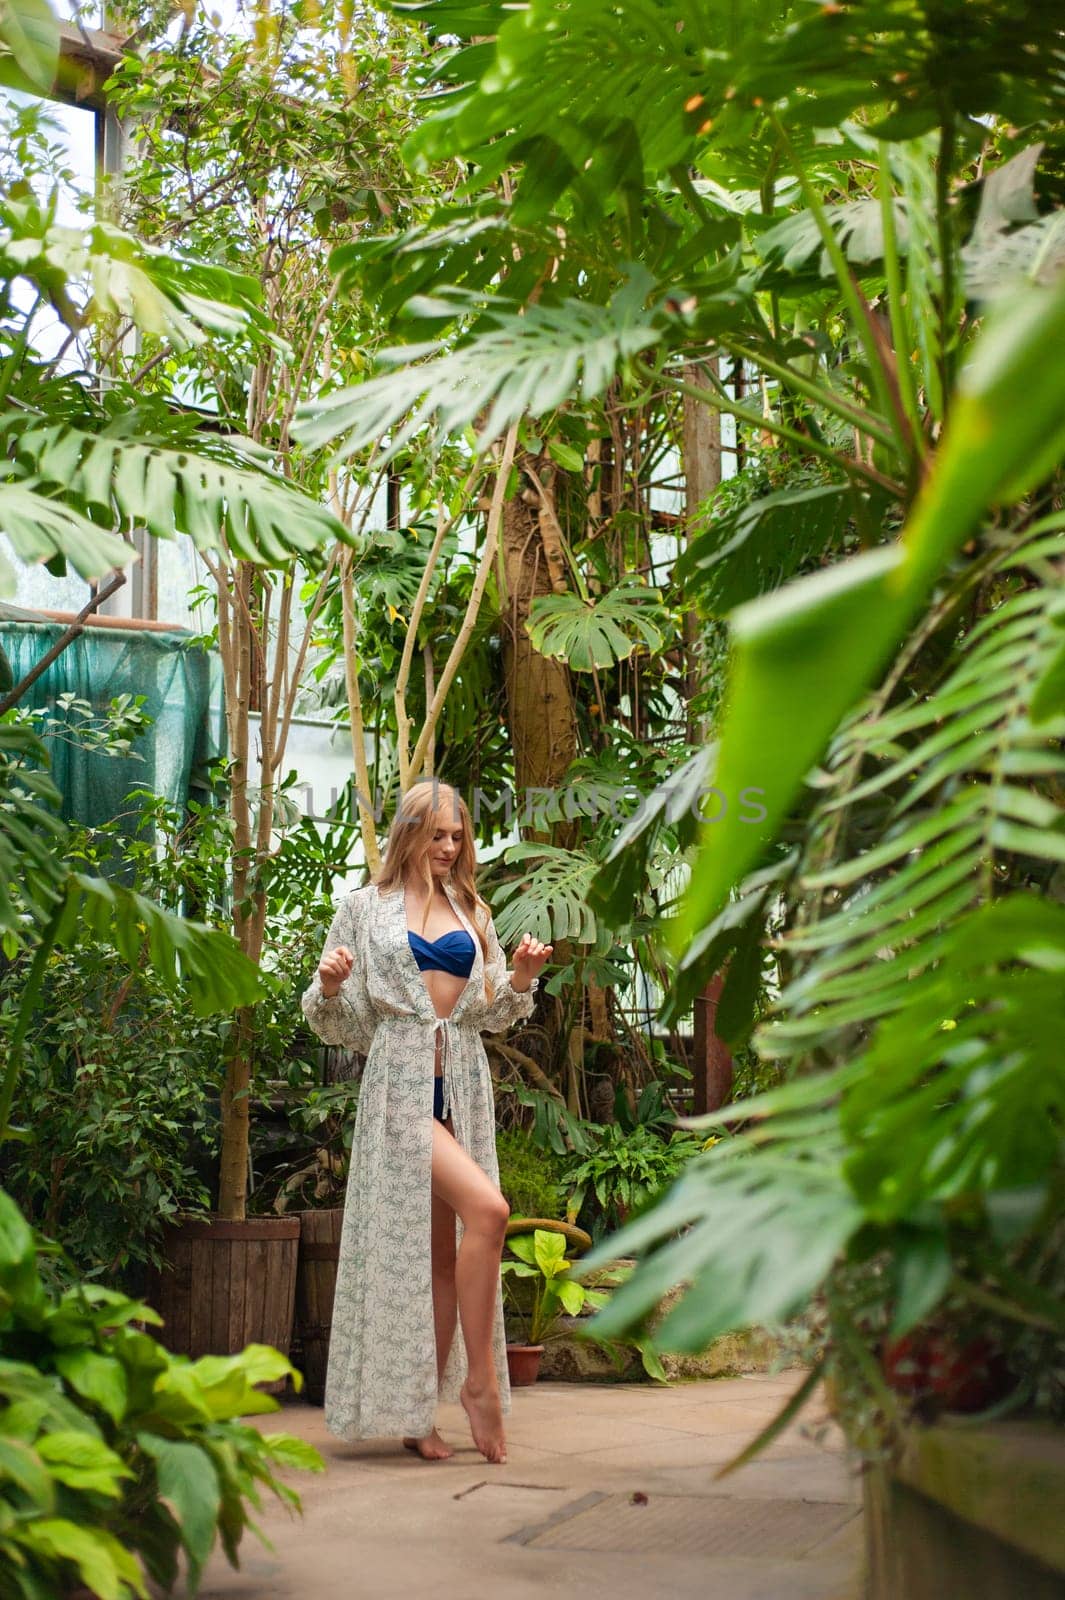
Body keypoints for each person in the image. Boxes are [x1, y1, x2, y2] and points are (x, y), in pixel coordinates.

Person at [301, 780, 552, 1464]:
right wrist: (327, 985)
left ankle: (421, 1417)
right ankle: (479, 1386)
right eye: (437, 834)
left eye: (457, 836)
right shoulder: (361, 909)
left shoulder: (472, 909)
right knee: (490, 1212)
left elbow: (492, 1011)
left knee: (445, 1258)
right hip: (400, 1087)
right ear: (408, 833)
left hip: (462, 1084)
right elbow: (343, 1026)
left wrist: (522, 978)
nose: (449, 848)